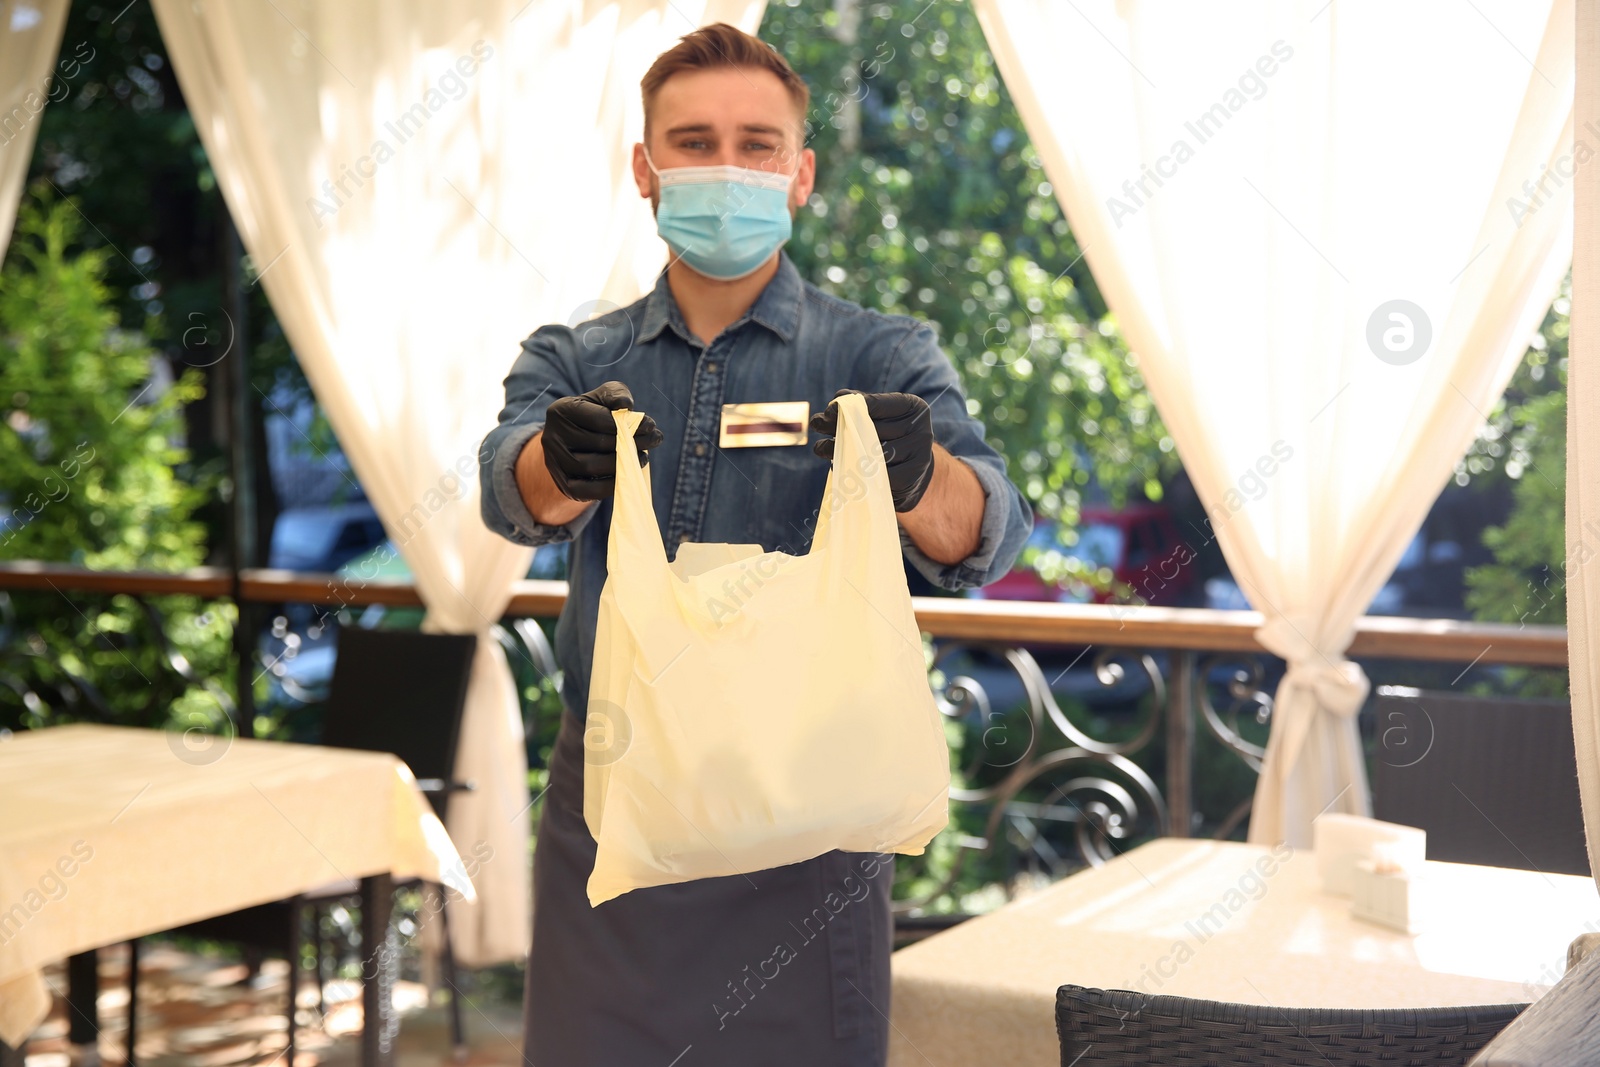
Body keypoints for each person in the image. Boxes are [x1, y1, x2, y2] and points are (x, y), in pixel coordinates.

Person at [479, 21, 1032, 1066]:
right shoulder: (574, 355)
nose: (724, 166)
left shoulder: (882, 352)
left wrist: (919, 474)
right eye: (691, 142)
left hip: (809, 829)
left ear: (800, 173)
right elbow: (510, 496)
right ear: (643, 170)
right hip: (614, 809)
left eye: (756, 143)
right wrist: (559, 461)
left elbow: (983, 531)